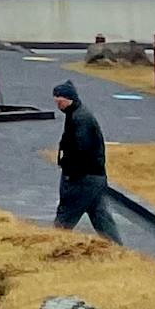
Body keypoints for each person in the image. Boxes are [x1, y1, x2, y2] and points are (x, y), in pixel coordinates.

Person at [50, 78, 122, 241]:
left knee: (65, 218)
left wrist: (69, 172)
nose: (57, 105)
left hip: (82, 179)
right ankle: (116, 248)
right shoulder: (77, 115)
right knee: (101, 217)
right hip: (94, 177)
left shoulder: (80, 119)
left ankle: (54, 243)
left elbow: (80, 149)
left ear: (67, 99)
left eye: (58, 101)